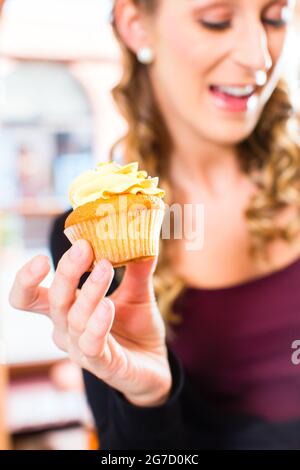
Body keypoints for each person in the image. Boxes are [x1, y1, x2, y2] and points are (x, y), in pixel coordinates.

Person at [9, 0, 300, 449]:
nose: (259, 56)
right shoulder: (91, 238)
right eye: (217, 20)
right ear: (136, 26)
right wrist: (146, 397)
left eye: (275, 16)